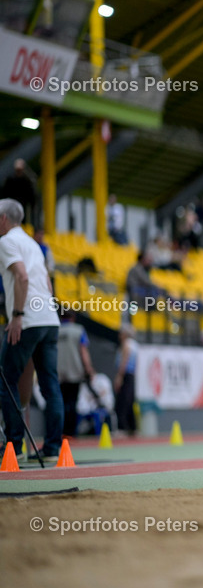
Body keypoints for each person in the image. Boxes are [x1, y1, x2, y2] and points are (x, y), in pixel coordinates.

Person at [0, 198, 62, 463]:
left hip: (29, 319)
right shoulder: (33, 244)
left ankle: (15, 447)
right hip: (49, 319)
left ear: (3, 218)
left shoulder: (6, 242)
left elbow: (22, 277)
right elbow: (46, 281)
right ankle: (52, 449)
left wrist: (17, 315)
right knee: (50, 384)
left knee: (5, 379)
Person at [57, 310, 95, 436]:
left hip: (58, 373)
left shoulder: (56, 330)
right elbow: (83, 351)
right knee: (72, 402)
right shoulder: (79, 330)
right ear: (73, 318)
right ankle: (71, 432)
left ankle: (59, 431)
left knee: (60, 402)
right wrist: (89, 368)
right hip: (75, 371)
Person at [113, 325, 138, 436]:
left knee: (122, 401)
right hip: (131, 375)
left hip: (126, 374)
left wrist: (119, 376)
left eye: (121, 333)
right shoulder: (135, 344)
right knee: (130, 400)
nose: (119, 336)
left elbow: (124, 360)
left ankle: (122, 427)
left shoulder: (127, 344)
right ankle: (132, 427)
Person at [1, 159, 37, 227]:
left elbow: (31, 196)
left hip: (22, 208)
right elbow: (5, 194)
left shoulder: (26, 181)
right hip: (11, 208)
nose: (18, 172)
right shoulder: (10, 180)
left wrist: (32, 206)